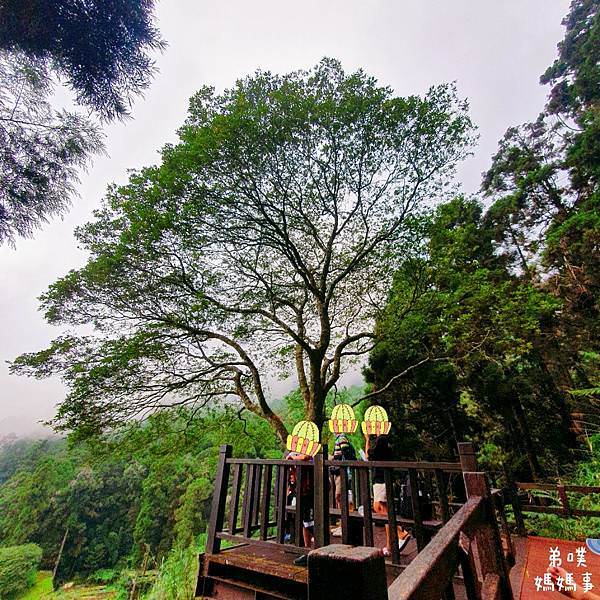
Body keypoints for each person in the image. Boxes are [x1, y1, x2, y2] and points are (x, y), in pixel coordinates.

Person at [365, 432, 411, 556]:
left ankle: (401, 534)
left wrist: (367, 440)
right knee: (384, 511)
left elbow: (368, 455)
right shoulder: (386, 443)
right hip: (385, 480)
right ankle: (390, 546)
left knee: (380, 508)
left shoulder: (381, 440)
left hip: (380, 480)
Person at [286, 451, 314, 566]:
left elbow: (306, 457)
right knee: (304, 521)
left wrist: (293, 457)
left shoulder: (310, 449)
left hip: (311, 490)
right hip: (301, 490)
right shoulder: (293, 452)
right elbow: (289, 462)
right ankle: (307, 551)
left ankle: (318, 551)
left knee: (311, 522)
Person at [331, 431, 356, 509]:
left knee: (339, 495)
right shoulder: (339, 439)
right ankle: (342, 515)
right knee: (339, 495)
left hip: (341, 471)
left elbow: (345, 454)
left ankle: (343, 516)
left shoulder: (341, 438)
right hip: (339, 471)